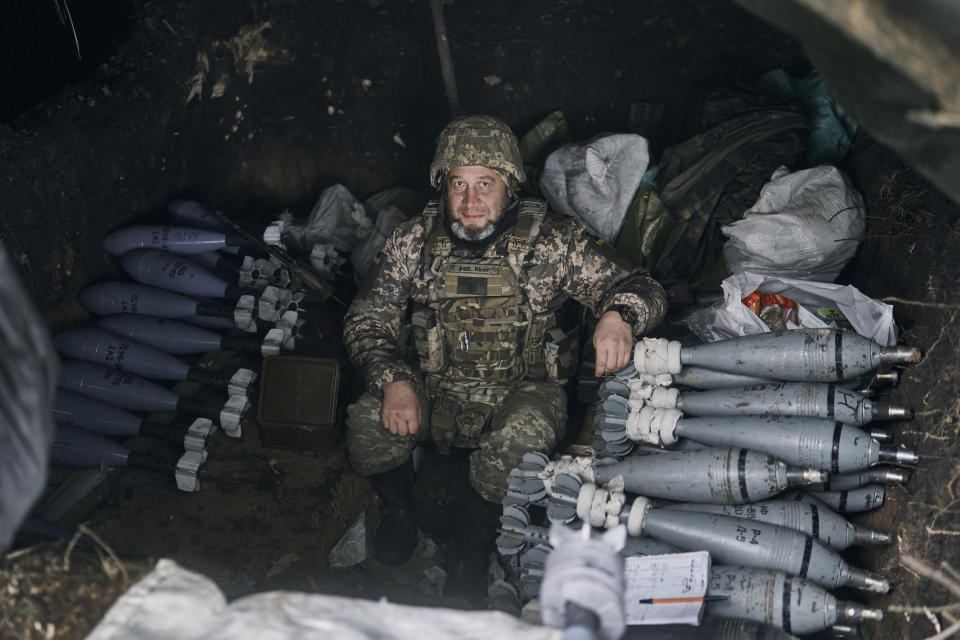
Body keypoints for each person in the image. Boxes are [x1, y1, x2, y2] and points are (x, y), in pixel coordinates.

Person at [342, 114, 667, 600]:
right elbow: (366, 317)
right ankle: (399, 510)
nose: (471, 200)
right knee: (366, 423)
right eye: (458, 183)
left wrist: (619, 315)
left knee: (520, 444)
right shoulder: (414, 240)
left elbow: (641, 285)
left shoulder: (552, 242)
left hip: (522, 392)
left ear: (509, 186)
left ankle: (470, 553)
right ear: (443, 187)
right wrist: (393, 379)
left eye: (485, 183)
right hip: (433, 388)